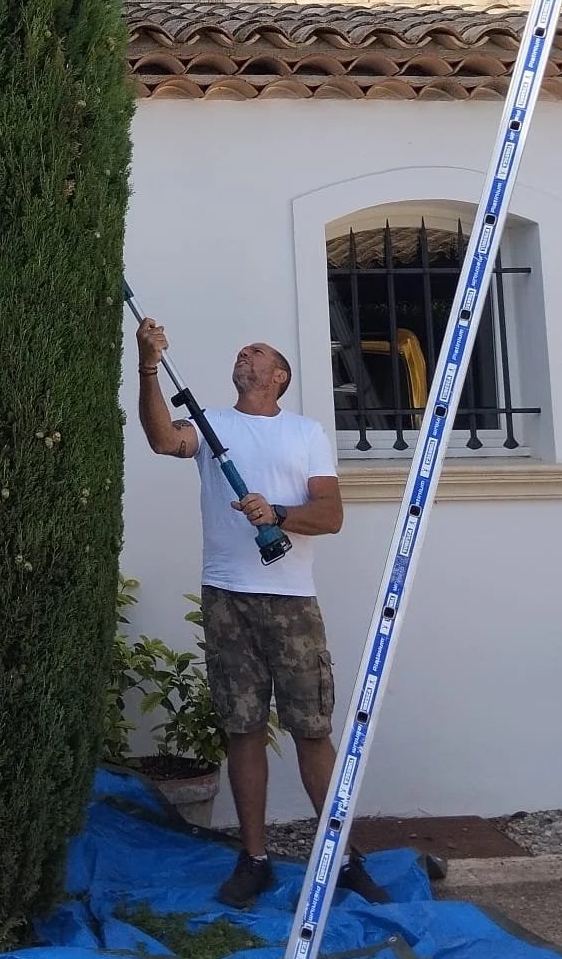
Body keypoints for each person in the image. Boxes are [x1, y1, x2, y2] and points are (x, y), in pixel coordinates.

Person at [134, 317, 380, 908]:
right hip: (226, 595)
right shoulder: (213, 424)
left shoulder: (306, 433)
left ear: (277, 377)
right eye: (241, 349)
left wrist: (277, 514)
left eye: (258, 351)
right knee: (241, 728)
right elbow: (163, 438)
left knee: (312, 731)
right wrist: (147, 365)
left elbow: (331, 515)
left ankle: (343, 858)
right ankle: (255, 858)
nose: (244, 353)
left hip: (292, 601)